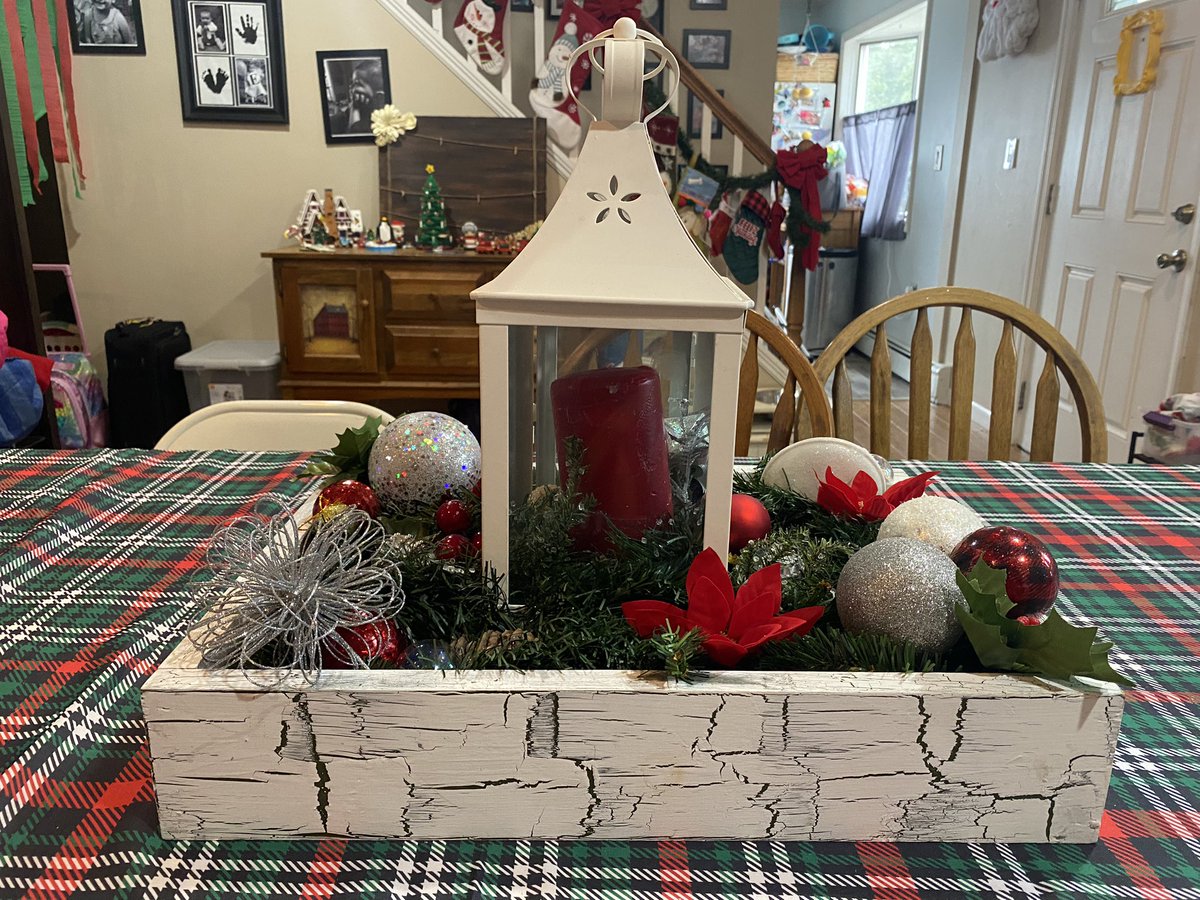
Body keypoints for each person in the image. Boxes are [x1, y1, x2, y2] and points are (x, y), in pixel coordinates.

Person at [327, 59, 385, 135]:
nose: (351, 88)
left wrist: (355, 110)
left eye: (357, 83)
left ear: (379, 97)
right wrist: (353, 107)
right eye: (352, 83)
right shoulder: (339, 119)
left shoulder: (382, 121)